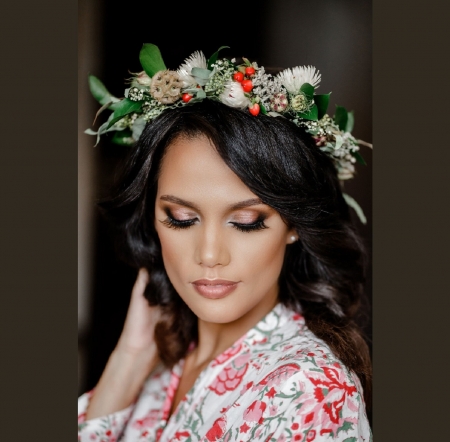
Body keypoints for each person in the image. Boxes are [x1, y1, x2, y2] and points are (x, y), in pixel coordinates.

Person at [78, 44, 372, 441]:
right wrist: (129, 360)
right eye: (182, 219)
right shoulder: (164, 362)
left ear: (293, 224)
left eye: (247, 222)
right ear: (152, 217)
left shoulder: (307, 390)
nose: (210, 254)